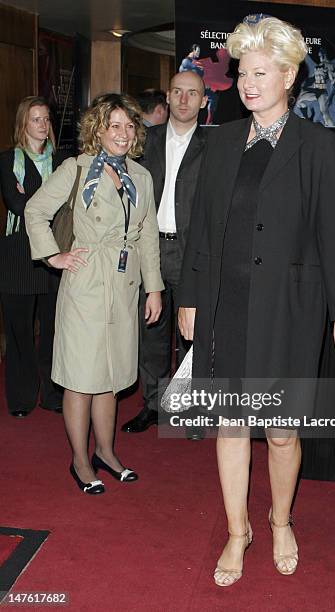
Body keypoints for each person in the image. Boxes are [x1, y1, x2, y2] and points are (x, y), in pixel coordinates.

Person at [178, 16, 335, 586]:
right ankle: (239, 531)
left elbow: (334, 235)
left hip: (290, 311)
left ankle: (281, 520)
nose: (248, 83)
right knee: (231, 425)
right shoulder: (221, 140)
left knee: (280, 430)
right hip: (227, 305)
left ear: (288, 75)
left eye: (260, 73)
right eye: (242, 73)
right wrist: (189, 296)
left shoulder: (317, 145)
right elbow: (201, 230)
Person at [25, 93, 163, 494]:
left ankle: (106, 451)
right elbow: (35, 210)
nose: (122, 133)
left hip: (124, 285)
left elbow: (148, 236)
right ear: (98, 130)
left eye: (128, 126)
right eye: (113, 125)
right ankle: (80, 460)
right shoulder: (77, 169)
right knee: (81, 378)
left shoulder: (141, 177)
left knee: (113, 376)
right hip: (85, 283)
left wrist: (153, 288)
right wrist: (53, 256)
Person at [121, 71, 208, 438]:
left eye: (193, 93)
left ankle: (190, 408)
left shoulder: (217, 146)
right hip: (150, 250)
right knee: (151, 332)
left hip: (194, 253)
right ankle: (154, 405)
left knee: (194, 335)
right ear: (167, 97)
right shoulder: (144, 142)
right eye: (178, 92)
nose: (184, 99)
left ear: (204, 102)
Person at [0, 96, 65, 417]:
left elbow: (65, 208)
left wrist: (34, 201)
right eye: (35, 119)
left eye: (46, 119)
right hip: (17, 255)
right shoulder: (7, 160)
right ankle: (22, 397)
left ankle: (52, 395)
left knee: (53, 331)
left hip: (54, 252)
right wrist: (44, 204)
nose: (42, 124)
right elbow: (16, 204)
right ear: (23, 124)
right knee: (19, 332)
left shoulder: (62, 161)